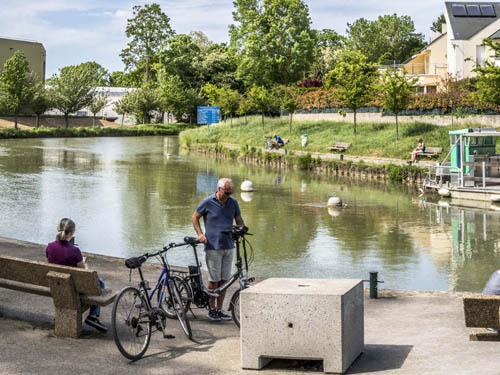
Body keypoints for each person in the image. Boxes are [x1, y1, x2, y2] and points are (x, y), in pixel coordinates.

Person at [192, 178, 245, 322]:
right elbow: (195, 217)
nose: (229, 195)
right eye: (227, 192)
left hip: (228, 246)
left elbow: (238, 219)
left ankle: (219, 309)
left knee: (224, 280)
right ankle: (211, 308)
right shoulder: (208, 202)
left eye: (230, 192)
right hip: (213, 246)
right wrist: (200, 234)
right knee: (214, 280)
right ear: (219, 189)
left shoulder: (233, 202)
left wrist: (242, 229)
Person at [46, 218, 107, 332]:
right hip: (73, 287)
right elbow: (83, 273)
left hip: (57, 285)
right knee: (101, 283)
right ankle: (93, 316)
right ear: (72, 233)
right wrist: (86, 266)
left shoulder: (50, 247)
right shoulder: (75, 250)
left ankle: (62, 314)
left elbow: (51, 264)